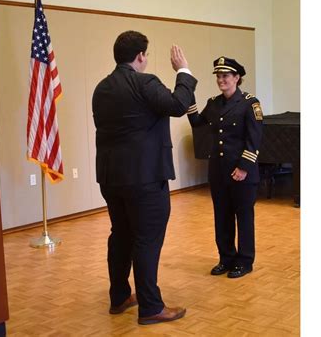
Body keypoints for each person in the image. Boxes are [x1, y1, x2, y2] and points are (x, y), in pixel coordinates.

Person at [92, 30, 198, 325]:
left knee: (121, 235)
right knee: (147, 240)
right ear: (140, 57)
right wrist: (183, 71)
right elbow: (178, 105)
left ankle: (120, 297)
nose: (146, 59)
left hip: (111, 178)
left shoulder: (101, 88)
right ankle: (151, 307)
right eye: (146, 55)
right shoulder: (145, 82)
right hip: (145, 179)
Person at [186, 56, 263, 278]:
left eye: (226, 76)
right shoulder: (213, 103)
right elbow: (198, 124)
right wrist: (188, 94)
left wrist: (244, 167)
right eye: (219, 76)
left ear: (237, 78)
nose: (221, 80)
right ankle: (226, 258)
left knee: (244, 217)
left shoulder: (250, 103)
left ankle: (245, 261)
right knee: (222, 216)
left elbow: (254, 138)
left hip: (242, 173)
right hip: (219, 172)